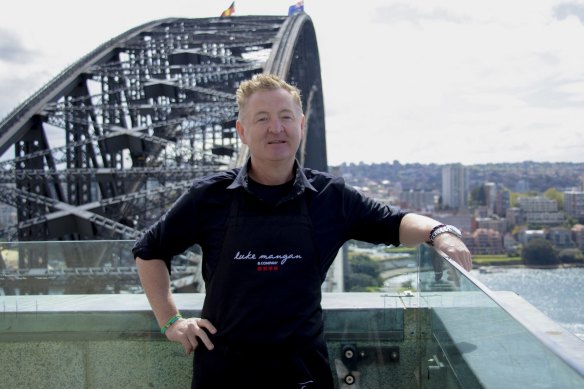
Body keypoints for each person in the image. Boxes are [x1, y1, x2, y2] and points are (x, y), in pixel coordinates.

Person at [132, 73, 472, 388]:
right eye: (261, 118)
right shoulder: (209, 197)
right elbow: (150, 250)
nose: (275, 128)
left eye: (285, 117)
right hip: (224, 374)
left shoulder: (330, 197)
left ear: (301, 124)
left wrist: (440, 231)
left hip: (303, 375)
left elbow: (396, 222)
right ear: (242, 131)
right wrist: (171, 321)